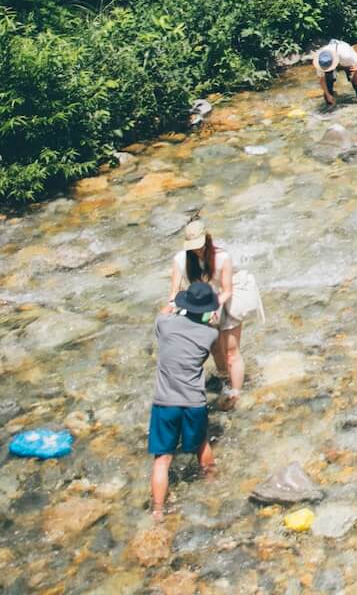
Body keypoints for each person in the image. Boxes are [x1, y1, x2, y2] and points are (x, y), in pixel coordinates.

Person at [150, 280, 220, 521]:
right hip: (194, 402)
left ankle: (158, 510)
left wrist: (172, 301)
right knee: (201, 443)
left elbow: (165, 311)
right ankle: (212, 485)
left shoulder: (165, 325)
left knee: (163, 459)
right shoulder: (211, 334)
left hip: (165, 402)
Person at [169, 220, 248, 409]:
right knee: (214, 348)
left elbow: (227, 290)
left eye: (200, 247)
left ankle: (235, 393)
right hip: (202, 303)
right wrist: (173, 310)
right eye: (193, 248)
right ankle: (224, 379)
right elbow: (173, 291)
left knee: (231, 350)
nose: (197, 251)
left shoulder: (222, 257)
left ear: (207, 239)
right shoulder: (181, 259)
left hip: (225, 301)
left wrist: (214, 307)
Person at [313, 39, 357, 108]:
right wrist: (328, 95)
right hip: (333, 56)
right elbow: (322, 80)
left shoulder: (347, 56)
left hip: (343, 57)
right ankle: (330, 106)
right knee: (328, 82)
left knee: (355, 80)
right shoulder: (321, 60)